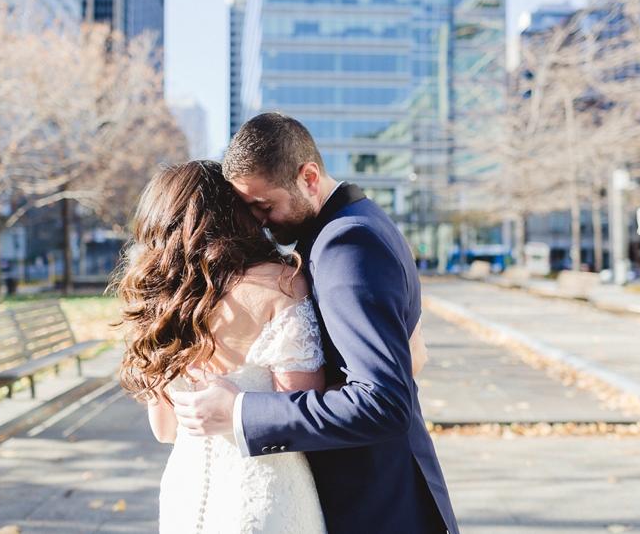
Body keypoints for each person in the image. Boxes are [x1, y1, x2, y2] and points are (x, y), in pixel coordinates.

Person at [172, 113, 460, 534]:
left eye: (264, 206)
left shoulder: (346, 246)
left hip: (375, 507)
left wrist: (240, 411)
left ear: (309, 177)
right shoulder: (353, 225)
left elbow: (383, 403)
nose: (259, 222)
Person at [115, 160, 328, 533]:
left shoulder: (156, 303)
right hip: (266, 498)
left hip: (186, 494)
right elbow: (302, 421)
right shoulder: (280, 284)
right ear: (235, 216)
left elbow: (166, 431)